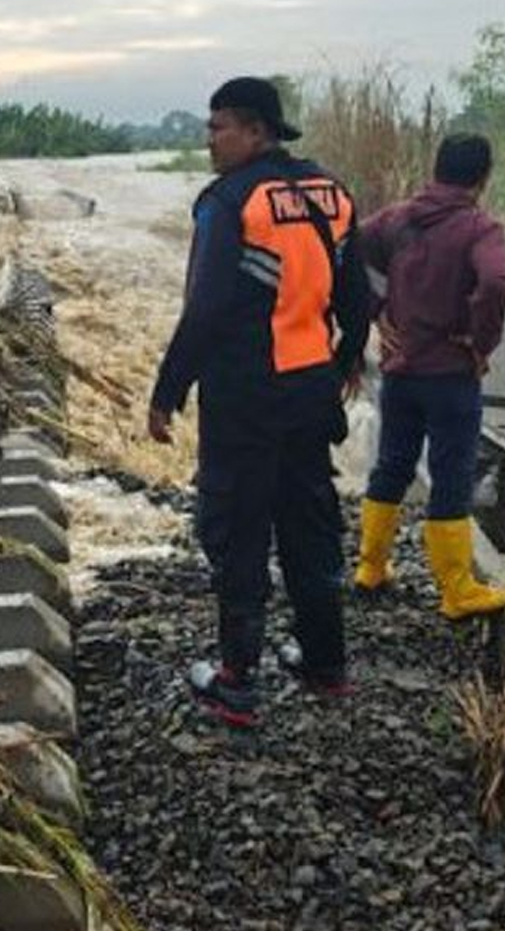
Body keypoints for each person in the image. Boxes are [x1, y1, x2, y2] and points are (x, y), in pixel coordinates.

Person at [147, 77, 370, 728]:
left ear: (253, 131)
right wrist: (349, 355)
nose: (209, 140)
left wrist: (168, 391)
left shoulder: (228, 202)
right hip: (310, 390)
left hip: (245, 396)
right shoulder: (332, 192)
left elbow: (208, 307)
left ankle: (236, 680)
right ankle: (326, 663)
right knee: (309, 519)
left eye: (217, 128)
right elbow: (356, 292)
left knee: (238, 525)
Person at [352, 133, 505, 619]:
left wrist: (375, 309)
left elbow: (345, 248)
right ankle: (457, 591)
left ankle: (371, 567)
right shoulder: (479, 228)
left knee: (392, 463)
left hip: (400, 371)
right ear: (484, 176)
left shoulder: (399, 217)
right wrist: (479, 340)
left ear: (436, 168)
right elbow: (493, 283)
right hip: (450, 373)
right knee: (451, 472)